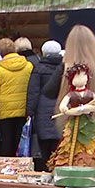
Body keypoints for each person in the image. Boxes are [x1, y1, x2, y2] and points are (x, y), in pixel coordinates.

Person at [0, 38, 34, 157]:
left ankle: (6, 169)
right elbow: (32, 88)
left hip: (5, 112)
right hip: (23, 110)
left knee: (6, 143)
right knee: (21, 141)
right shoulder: (28, 66)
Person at [26, 40, 63, 171]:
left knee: (44, 144)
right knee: (58, 143)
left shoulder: (39, 68)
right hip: (61, 109)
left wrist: (29, 111)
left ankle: (45, 169)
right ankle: (57, 168)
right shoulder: (64, 67)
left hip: (42, 110)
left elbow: (33, 92)